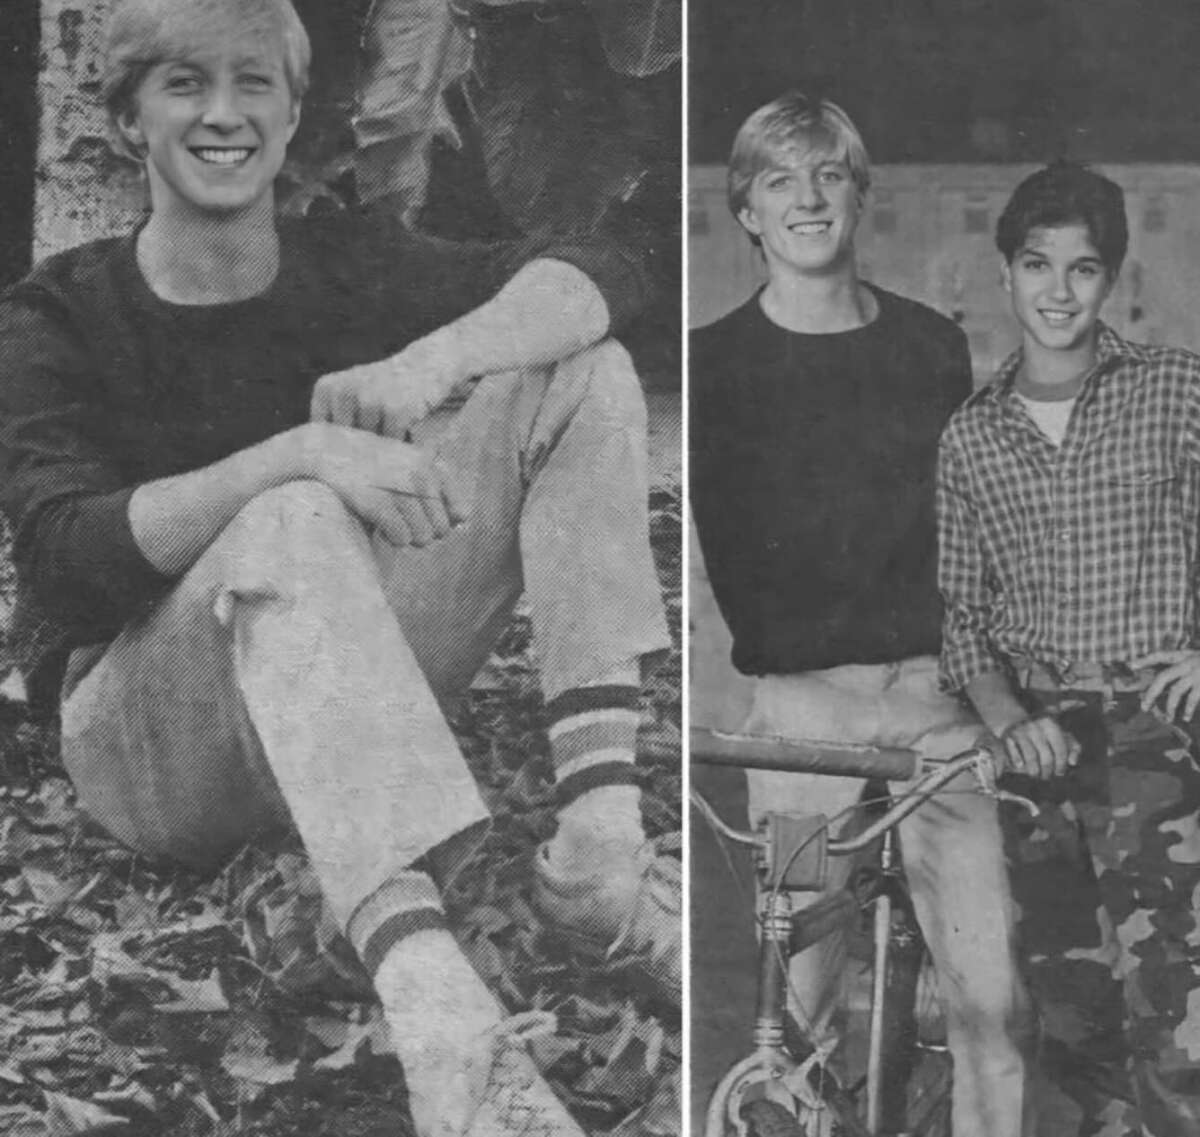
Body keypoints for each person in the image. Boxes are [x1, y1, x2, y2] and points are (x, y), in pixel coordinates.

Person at [0, 1, 679, 1134]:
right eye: (184, 85)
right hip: (150, 745)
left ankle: (599, 850)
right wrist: (295, 454)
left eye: (255, 82)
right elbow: (68, 554)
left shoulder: (347, 260)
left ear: (291, 108)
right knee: (292, 512)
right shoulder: (57, 311)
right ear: (125, 122)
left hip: (334, 687)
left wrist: (437, 358)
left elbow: (606, 264)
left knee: (578, 369)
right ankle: (443, 1027)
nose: (225, 113)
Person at [689, 91, 1034, 1136]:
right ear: (746, 210)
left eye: (829, 175)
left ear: (859, 194)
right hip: (806, 718)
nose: (808, 198)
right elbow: (731, 550)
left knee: (992, 1000)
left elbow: (965, 529)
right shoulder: (716, 364)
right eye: (780, 181)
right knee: (795, 1014)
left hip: (935, 706)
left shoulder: (931, 346)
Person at [938, 160, 1200, 1135]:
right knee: (1073, 1021)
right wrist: (1009, 720)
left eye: (1082, 269)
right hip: (1038, 753)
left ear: (1113, 279)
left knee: (1177, 1018)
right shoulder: (971, 438)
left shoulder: (1177, 393)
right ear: (1005, 274)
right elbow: (962, 624)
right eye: (1037, 265)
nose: (1058, 292)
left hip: (1159, 747)